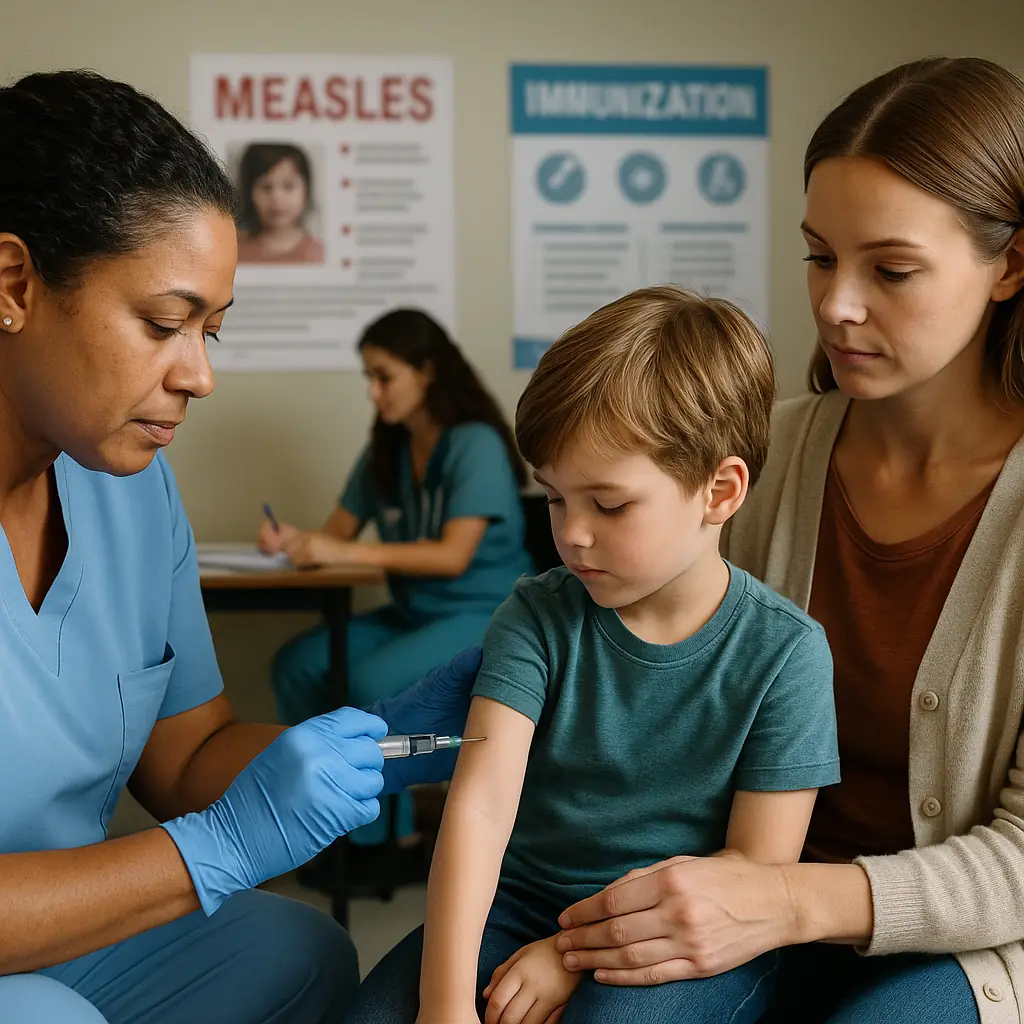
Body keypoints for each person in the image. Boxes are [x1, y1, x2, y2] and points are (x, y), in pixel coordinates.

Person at [543, 57, 1024, 1024]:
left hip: (966, 939)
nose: (835, 303)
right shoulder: (766, 452)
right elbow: (608, 653)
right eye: (818, 255)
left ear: (1010, 263)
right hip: (733, 889)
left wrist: (789, 901)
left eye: (889, 269)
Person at [0, 68, 480, 1024]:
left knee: (300, 952)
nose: (201, 375)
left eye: (211, 331)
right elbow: (206, 826)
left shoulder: (128, 491)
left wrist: (391, 749)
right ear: (14, 283)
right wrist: (220, 847)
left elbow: (192, 754)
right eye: (165, 324)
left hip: (72, 927)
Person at [346, 287, 841, 1024]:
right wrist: (444, 1006)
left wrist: (569, 955)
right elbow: (480, 807)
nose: (573, 533)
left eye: (608, 505)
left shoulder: (787, 655)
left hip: (688, 932)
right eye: (553, 499)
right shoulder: (537, 615)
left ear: (720, 491)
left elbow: (753, 875)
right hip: (518, 908)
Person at [260, 308, 534, 850]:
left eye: (384, 376)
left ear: (426, 371)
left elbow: (454, 556)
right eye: (369, 377)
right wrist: (294, 541)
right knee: (295, 666)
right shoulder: (387, 447)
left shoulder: (473, 443)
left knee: (367, 682)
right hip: (413, 614)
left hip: (485, 614)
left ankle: (386, 835)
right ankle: (333, 816)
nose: (373, 392)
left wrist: (337, 549)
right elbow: (335, 533)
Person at [235, 142, 325, 264]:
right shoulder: (236, 251)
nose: (277, 199)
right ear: (249, 193)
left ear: (306, 191)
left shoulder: (318, 254)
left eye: (288, 186)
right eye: (266, 187)